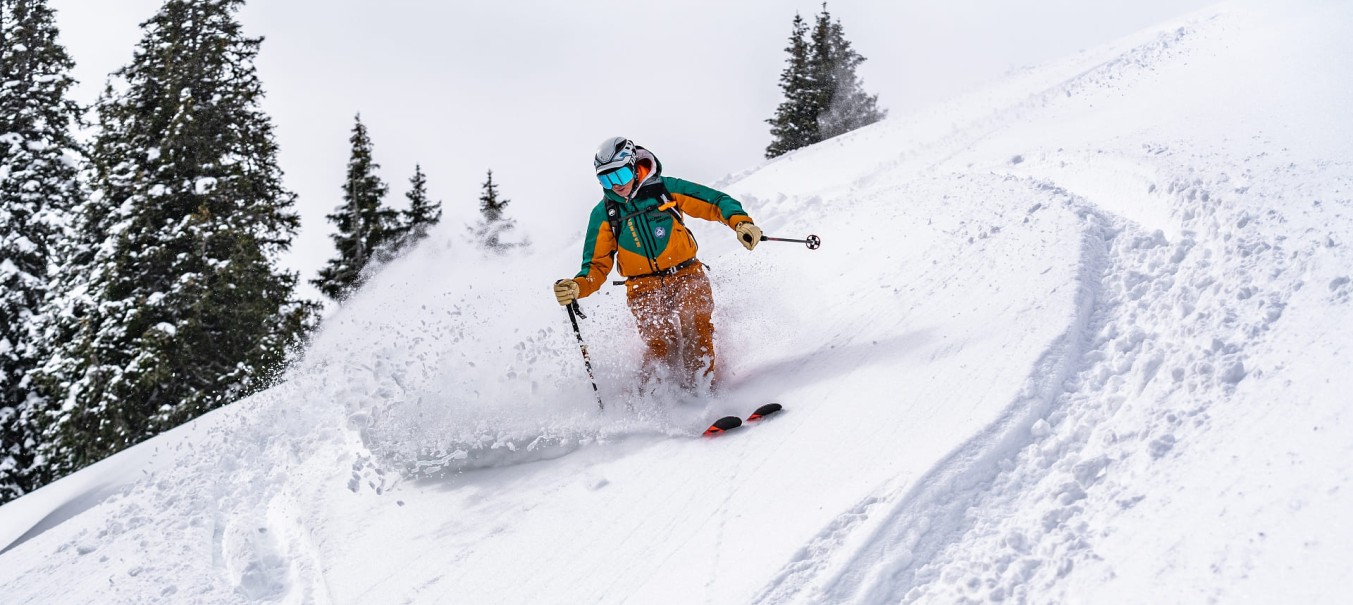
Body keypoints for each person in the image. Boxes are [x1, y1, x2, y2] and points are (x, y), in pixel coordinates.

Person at [553, 137, 762, 392]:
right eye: (607, 179)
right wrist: (577, 286)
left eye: (619, 174)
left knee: (696, 323)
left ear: (633, 165)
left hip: (686, 273)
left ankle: (702, 391)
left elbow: (715, 202)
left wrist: (740, 223)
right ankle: (664, 399)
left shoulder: (666, 189)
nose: (615, 185)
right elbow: (595, 267)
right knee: (659, 342)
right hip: (642, 287)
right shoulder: (605, 213)